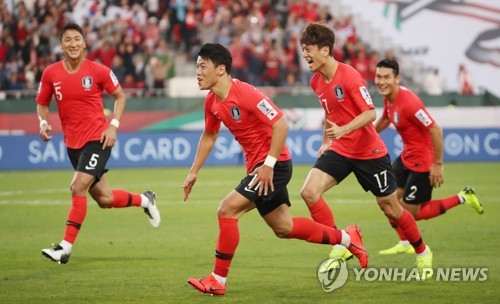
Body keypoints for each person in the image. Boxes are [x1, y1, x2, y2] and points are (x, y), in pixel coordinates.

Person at [182, 43, 367, 296]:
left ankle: (218, 280)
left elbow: (281, 124)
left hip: (274, 165)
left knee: (227, 210)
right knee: (284, 228)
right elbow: (209, 135)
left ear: (221, 69)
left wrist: (268, 165)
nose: (198, 72)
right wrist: (194, 172)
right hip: (261, 168)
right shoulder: (212, 102)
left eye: (203, 66)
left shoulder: (246, 93)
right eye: (197, 67)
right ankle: (348, 238)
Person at [298, 22, 433, 279]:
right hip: (340, 149)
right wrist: (327, 141)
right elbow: (330, 113)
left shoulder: (349, 76)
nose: (304, 54)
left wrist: (344, 130)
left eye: (309, 49)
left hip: (369, 153)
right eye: (303, 49)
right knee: (309, 192)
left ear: (325, 50)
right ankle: (344, 243)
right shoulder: (316, 81)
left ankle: (423, 251)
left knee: (391, 208)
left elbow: (370, 113)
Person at [37, 23, 161, 264]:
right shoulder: (50, 73)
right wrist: (43, 122)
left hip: (98, 139)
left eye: (77, 39)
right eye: (67, 40)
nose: (73, 44)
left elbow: (120, 96)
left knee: (77, 187)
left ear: (84, 43)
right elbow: (42, 102)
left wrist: (113, 125)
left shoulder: (99, 71)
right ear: (61, 45)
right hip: (73, 145)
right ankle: (146, 200)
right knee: (104, 199)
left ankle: (65, 248)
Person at [374, 58, 483, 254]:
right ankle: (405, 243)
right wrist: (369, 135)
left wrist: (438, 164)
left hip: (423, 162)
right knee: (385, 199)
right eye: (378, 76)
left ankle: (462, 197)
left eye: (387, 77)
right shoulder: (388, 97)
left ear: (397, 78)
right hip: (407, 156)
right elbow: (385, 117)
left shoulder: (410, 103)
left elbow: (435, 129)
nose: (381, 81)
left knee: (409, 213)